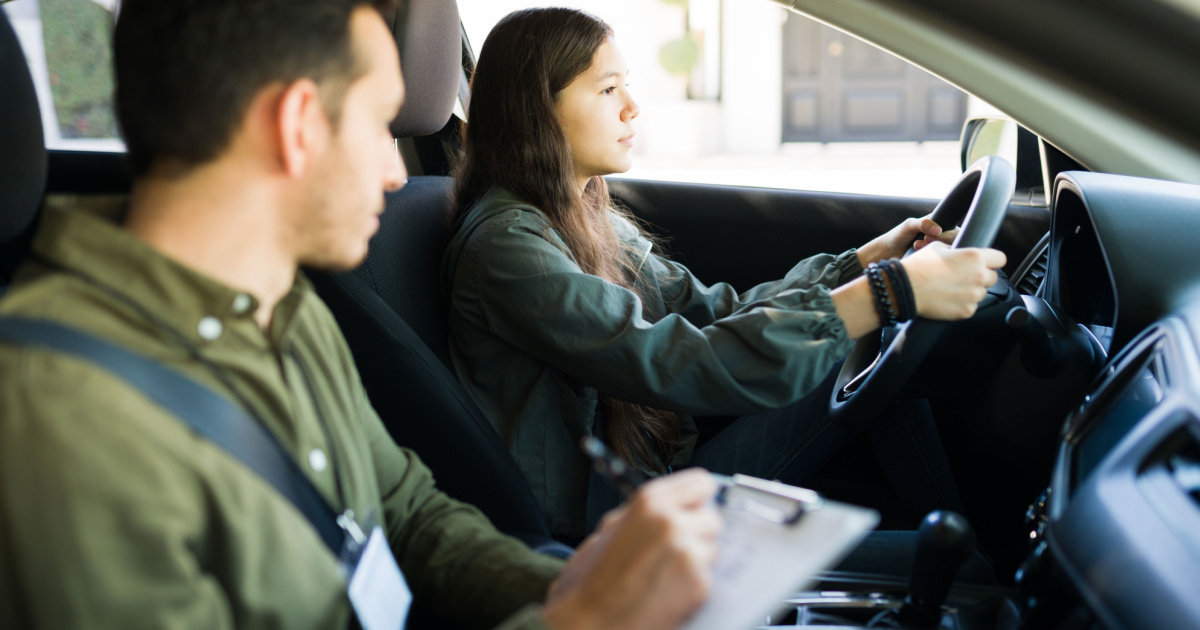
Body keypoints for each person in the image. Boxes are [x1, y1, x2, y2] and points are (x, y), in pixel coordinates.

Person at [0, 1, 723, 629]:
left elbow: (404, 510)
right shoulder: (61, 415)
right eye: (381, 125)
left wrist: (573, 585)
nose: (392, 169)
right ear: (297, 126)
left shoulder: (285, 307)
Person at [443, 7, 1008, 540]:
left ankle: (973, 547)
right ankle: (979, 562)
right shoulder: (510, 248)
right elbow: (677, 362)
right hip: (615, 527)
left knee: (869, 342)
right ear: (537, 109)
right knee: (868, 344)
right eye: (608, 88)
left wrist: (863, 263)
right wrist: (886, 294)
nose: (632, 106)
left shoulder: (586, 217)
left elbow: (717, 311)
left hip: (655, 481)